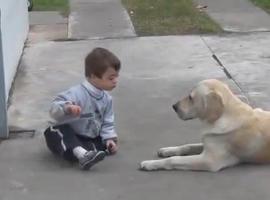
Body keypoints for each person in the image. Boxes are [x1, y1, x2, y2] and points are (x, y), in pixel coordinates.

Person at [44, 47, 121, 170]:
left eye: (117, 76)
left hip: (87, 138)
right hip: (68, 136)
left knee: (102, 145)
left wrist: (109, 139)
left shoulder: (107, 99)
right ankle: (82, 153)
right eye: (111, 78)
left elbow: (108, 121)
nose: (116, 81)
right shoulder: (76, 93)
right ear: (93, 76)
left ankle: (85, 154)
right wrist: (67, 108)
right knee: (55, 131)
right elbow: (54, 108)